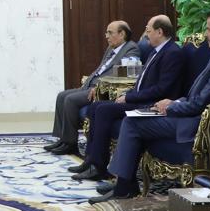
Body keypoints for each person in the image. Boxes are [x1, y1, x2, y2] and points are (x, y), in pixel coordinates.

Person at [91, 8, 210, 202]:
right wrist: (174, 102)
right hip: (188, 112)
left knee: (132, 123)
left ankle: (124, 187)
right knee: (135, 117)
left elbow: (201, 104)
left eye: (209, 29)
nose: (206, 34)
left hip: (196, 124)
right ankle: (125, 183)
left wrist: (171, 106)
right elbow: (199, 96)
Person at [70, 15, 184, 180]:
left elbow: (162, 89)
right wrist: (128, 94)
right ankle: (91, 160)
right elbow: (143, 81)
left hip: (152, 104)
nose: (145, 35)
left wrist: (130, 97)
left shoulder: (172, 53)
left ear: (160, 32)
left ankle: (99, 167)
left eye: (148, 30)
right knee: (96, 106)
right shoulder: (156, 51)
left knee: (103, 110)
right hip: (141, 99)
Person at [45, 21, 139, 157]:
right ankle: (63, 139)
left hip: (101, 90)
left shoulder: (131, 49)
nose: (106, 36)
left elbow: (122, 73)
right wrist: (88, 81)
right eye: (106, 32)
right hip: (91, 84)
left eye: (110, 32)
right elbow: (101, 69)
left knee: (70, 100)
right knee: (62, 95)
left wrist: (99, 85)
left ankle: (71, 144)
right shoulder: (111, 48)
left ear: (122, 34)